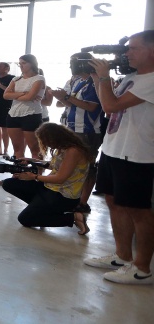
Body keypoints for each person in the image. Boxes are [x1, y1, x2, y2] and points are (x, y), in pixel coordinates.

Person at [83, 30, 154, 284]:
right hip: (113, 148)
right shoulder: (132, 77)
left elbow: (111, 105)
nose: (127, 53)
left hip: (136, 154)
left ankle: (142, 269)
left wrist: (104, 77)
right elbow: (108, 105)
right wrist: (97, 79)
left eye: (133, 48)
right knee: (113, 202)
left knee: (138, 211)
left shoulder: (151, 80)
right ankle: (123, 256)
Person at [1, 123, 90, 234]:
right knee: (9, 183)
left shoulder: (73, 151)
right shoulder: (62, 147)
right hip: (49, 189)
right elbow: (53, 165)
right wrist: (31, 160)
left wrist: (34, 177)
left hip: (63, 196)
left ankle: (73, 218)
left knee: (24, 219)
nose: (46, 145)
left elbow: (60, 179)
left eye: (46, 141)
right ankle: (41, 209)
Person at [50, 53, 103, 213]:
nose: (70, 66)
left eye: (72, 63)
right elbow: (68, 104)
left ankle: (82, 202)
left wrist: (66, 96)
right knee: (67, 163)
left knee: (88, 167)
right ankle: (69, 197)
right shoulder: (77, 81)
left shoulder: (94, 82)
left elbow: (91, 107)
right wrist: (61, 97)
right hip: (71, 128)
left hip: (87, 130)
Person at [4, 54, 45, 160]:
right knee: (17, 148)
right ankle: (19, 169)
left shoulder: (39, 78)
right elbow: (6, 95)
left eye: (24, 63)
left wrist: (15, 95)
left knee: (34, 148)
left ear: (32, 64)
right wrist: (23, 93)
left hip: (31, 114)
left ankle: (38, 170)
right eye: (20, 63)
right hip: (14, 114)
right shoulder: (16, 79)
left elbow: (29, 97)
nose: (21, 66)